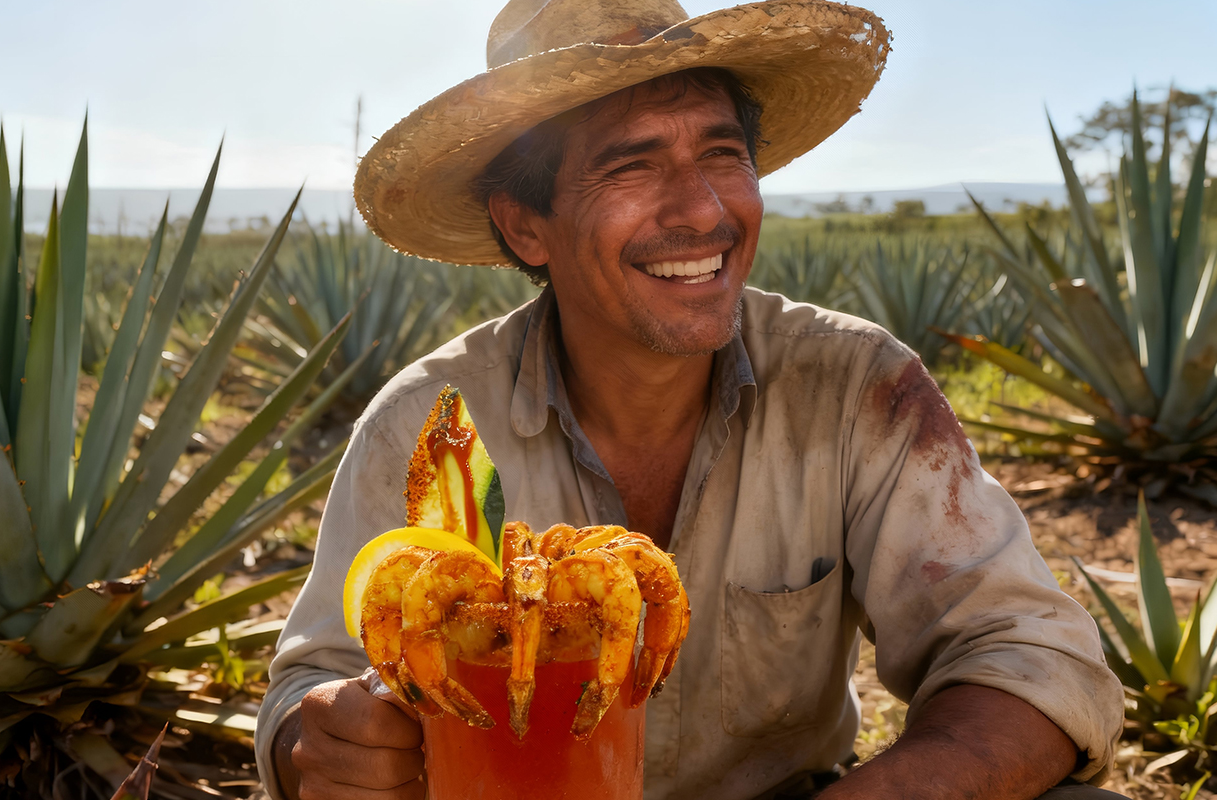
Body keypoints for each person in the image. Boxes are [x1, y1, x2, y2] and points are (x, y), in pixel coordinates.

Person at [254, 0, 1126, 798]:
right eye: (630, 165)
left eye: (722, 154)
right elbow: (311, 692)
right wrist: (325, 744)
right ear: (525, 223)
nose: (704, 210)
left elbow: (1026, 654)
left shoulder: (855, 386)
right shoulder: (433, 431)